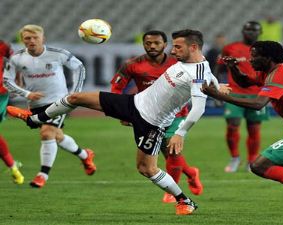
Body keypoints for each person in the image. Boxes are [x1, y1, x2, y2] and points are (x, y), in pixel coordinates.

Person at [8, 29, 231, 215]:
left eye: (178, 47)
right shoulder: (200, 68)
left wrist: (180, 132)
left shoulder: (198, 72)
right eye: (173, 46)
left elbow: (199, 106)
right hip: (133, 103)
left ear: (193, 47)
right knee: (76, 98)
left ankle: (184, 200)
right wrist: (217, 86)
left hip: (152, 123)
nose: (173, 50)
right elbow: (208, 80)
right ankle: (35, 118)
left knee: (147, 169)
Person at [202, 40, 283, 215]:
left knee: (259, 166)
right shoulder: (269, 72)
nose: (250, 60)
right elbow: (245, 82)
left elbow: (257, 104)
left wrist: (218, 95)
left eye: (254, 56)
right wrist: (232, 68)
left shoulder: (280, 75)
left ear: (268, 58)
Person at [110, 30, 203, 203]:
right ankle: (190, 172)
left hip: (177, 114)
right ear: (143, 44)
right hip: (147, 114)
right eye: (148, 43)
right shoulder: (132, 64)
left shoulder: (178, 63)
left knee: (171, 150)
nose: (152, 46)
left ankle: (171, 190)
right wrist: (120, 112)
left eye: (157, 43)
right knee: (164, 153)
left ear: (165, 45)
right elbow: (116, 87)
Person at [4, 24, 96, 188]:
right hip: (35, 103)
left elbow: (79, 67)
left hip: (59, 101)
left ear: (42, 38)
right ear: (23, 40)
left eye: (35, 38)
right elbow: (7, 80)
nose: (31, 41)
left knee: (47, 133)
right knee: (57, 136)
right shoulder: (17, 58)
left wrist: (74, 93)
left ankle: (42, 175)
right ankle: (84, 155)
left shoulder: (57, 54)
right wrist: (26, 94)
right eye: (27, 38)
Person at [214, 21, 269, 172]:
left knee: (254, 129)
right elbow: (219, 66)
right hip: (235, 92)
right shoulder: (230, 48)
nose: (251, 32)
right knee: (232, 125)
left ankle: (251, 161)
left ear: (260, 32)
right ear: (243, 31)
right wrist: (217, 86)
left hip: (257, 94)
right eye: (248, 29)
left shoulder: (265, 49)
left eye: (254, 30)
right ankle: (235, 158)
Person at [0, 40, 24, 184]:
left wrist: (17, 81)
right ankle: (13, 166)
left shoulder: (2, 46)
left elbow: (16, 61)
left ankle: (12, 166)